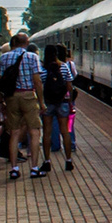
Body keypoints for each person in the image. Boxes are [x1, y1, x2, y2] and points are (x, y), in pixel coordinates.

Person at [0, 34, 45, 180]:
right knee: (35, 132)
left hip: (11, 97)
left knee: (14, 132)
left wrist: (2, 101)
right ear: (27, 42)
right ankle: (34, 168)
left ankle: (14, 168)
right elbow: (37, 81)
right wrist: (41, 102)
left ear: (14, 42)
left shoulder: (4, 57)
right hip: (28, 96)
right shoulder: (32, 57)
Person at [40, 45, 76, 173]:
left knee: (47, 132)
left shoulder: (42, 68)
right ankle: (68, 161)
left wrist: (40, 102)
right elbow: (69, 85)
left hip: (48, 103)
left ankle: (47, 161)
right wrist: (70, 102)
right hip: (63, 103)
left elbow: (40, 85)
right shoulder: (64, 67)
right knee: (65, 131)